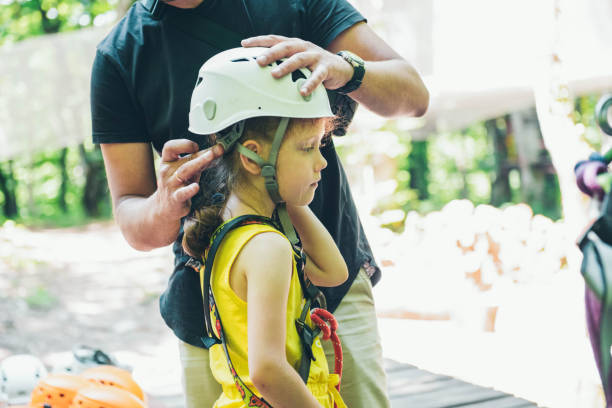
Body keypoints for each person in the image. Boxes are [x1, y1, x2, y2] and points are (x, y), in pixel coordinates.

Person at [90, 0, 429, 407]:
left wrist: (345, 69)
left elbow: (414, 96)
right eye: (310, 147)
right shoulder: (121, 53)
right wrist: (163, 205)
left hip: (327, 294)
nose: (318, 157)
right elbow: (131, 212)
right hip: (213, 316)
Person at [182, 46, 349, 407]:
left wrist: (289, 199)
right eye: (307, 148)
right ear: (253, 158)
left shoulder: (231, 232)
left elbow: (334, 272)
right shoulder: (266, 247)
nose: (322, 162)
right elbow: (268, 370)